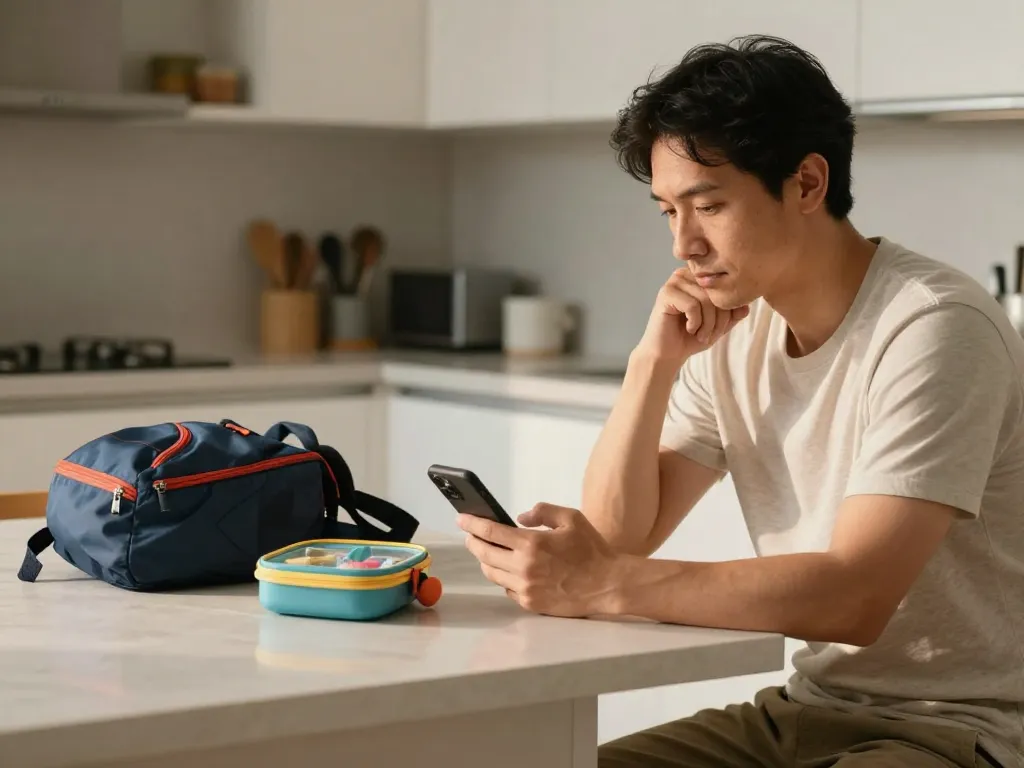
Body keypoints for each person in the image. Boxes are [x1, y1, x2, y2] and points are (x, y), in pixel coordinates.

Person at [455, 34, 1024, 768]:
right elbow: (619, 535)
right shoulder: (736, 328)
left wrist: (604, 582)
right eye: (667, 211)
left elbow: (855, 597)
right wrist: (650, 365)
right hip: (803, 713)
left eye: (709, 205)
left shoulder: (933, 326)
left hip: (958, 729)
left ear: (808, 184)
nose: (682, 244)